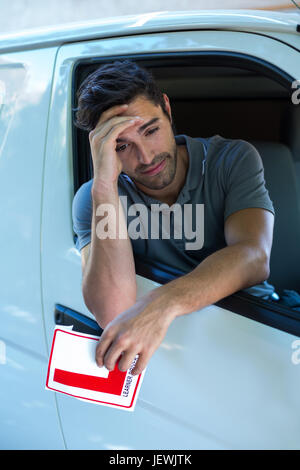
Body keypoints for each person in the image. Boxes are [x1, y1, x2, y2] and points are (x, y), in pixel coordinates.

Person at [72, 60, 275, 375]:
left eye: (150, 130)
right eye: (122, 146)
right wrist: (103, 185)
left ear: (166, 107)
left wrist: (160, 304)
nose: (146, 157)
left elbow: (253, 255)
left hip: (254, 328)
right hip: (174, 358)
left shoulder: (231, 160)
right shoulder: (96, 198)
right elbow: (112, 310)